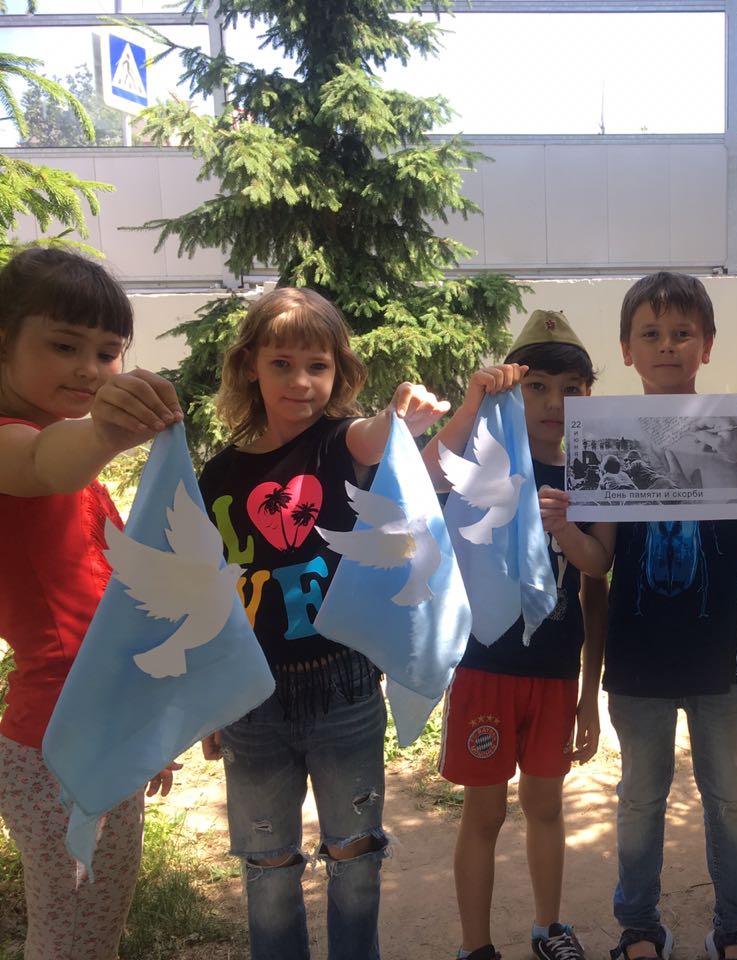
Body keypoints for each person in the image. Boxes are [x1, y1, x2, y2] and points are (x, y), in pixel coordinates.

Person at [196, 286, 449, 960]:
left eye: (318, 366)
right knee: (268, 866)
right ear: (250, 366)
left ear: (339, 372)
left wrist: (402, 414)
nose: (301, 382)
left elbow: (376, 433)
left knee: (356, 855)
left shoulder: (341, 445)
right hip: (252, 701)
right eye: (282, 364)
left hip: (345, 692)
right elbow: (211, 593)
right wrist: (210, 699)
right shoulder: (217, 476)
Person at [0, 247, 185, 959]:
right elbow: (43, 462)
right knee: (72, 936)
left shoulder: (71, 451)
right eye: (64, 346)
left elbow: (107, 606)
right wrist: (107, 429)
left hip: (96, 723)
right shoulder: (16, 446)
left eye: (108, 353)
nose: (89, 368)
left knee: (92, 930)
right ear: (4, 344)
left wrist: (142, 724)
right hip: (58, 739)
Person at [421, 309, 614, 960]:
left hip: (555, 674)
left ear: (589, 394)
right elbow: (423, 478)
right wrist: (474, 402)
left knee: (547, 807)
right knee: (484, 814)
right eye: (536, 387)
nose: (554, 404)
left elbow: (597, 576)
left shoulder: (593, 473)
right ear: (515, 391)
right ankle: (475, 945)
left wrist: (589, 696)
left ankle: (548, 928)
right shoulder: (484, 465)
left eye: (570, 389)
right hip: (485, 668)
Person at [603, 272, 737, 960]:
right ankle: (639, 926)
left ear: (707, 345)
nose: (667, 345)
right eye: (651, 334)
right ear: (627, 349)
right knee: (640, 797)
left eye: (682, 333)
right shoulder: (605, 433)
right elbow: (597, 556)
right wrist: (564, 521)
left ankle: (736, 927)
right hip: (637, 651)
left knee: (729, 794)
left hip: (722, 650)